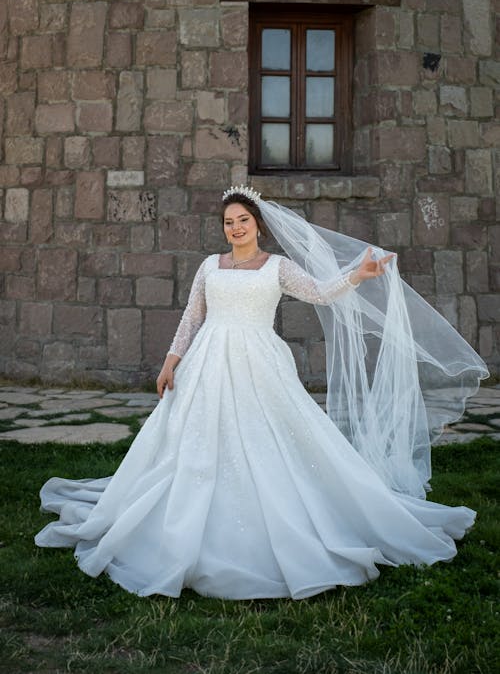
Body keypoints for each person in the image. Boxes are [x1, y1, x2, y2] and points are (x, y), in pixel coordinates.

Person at [35, 186, 487, 600]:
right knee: (189, 442)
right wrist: (171, 361)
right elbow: (192, 318)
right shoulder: (210, 266)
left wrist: (358, 275)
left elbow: (320, 293)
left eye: (242, 221)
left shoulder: (277, 267)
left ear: (258, 224)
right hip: (207, 363)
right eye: (228, 223)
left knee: (269, 440)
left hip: (259, 363)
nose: (235, 228)